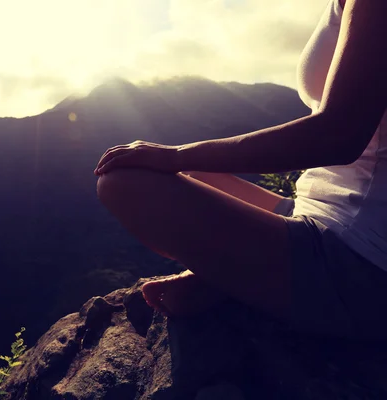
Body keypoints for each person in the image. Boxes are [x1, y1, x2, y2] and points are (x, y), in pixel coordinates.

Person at [95, 0, 386, 339]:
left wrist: (177, 155)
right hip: (317, 214)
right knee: (187, 174)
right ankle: (243, 274)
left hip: (357, 262)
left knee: (125, 184)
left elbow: (339, 135)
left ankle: (238, 279)